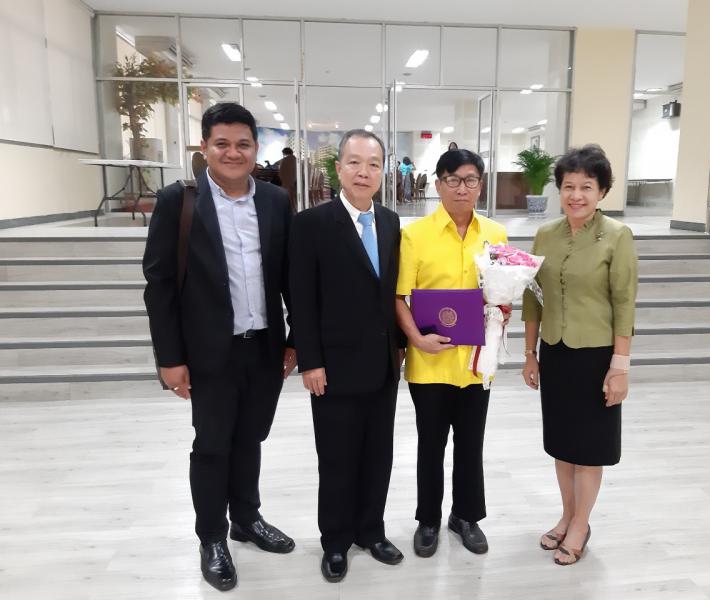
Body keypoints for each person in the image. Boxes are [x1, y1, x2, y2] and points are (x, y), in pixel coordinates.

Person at [143, 103, 297, 592]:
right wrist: (170, 358)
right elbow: (159, 285)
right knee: (212, 445)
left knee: (250, 438)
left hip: (263, 346)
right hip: (209, 350)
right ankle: (211, 537)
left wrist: (295, 340)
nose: (233, 153)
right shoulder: (179, 201)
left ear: (255, 148)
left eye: (243, 144)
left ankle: (246, 519)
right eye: (222, 143)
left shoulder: (275, 200)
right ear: (204, 147)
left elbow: (290, 275)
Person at [289, 129, 405, 583]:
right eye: (354, 162)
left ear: (383, 172)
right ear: (338, 168)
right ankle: (335, 540)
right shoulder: (311, 224)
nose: (363, 172)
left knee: (379, 455)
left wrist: (401, 348)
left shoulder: (391, 222)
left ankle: (371, 530)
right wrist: (310, 360)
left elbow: (392, 292)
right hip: (332, 367)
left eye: (373, 164)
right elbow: (301, 298)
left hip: (382, 365)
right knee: (337, 459)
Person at [521, 144, 638, 566]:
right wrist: (530, 353)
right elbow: (533, 297)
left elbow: (624, 303)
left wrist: (619, 368)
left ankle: (581, 525)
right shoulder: (545, 235)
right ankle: (567, 515)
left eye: (587, 187)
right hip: (555, 353)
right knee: (563, 444)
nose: (576, 195)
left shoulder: (618, 236)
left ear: (602, 191)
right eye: (569, 186)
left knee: (589, 448)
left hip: (596, 357)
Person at [395, 149, 507, 558]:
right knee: (431, 444)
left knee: (471, 443)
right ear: (438, 184)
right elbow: (399, 296)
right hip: (430, 362)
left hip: (477, 362)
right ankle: (428, 519)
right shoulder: (415, 235)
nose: (462, 188)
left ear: (481, 185)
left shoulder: (495, 234)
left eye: (471, 180)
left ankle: (465, 516)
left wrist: (502, 311)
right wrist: (415, 338)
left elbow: (501, 292)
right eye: (453, 180)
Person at [277, 147, 297, 212]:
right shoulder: (296, 160)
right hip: (295, 182)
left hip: (287, 182)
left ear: (284, 153)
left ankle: (286, 208)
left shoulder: (284, 160)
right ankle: (294, 207)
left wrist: (283, 179)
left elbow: (280, 172)